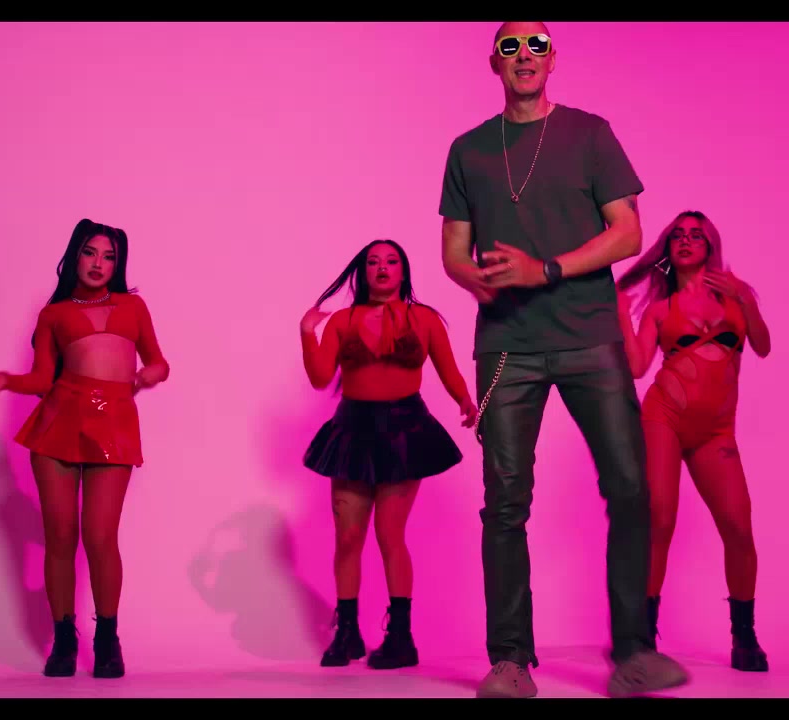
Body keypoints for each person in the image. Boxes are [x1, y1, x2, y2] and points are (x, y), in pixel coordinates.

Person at [438, 21, 689, 698]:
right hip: (506, 347)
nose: (525, 54)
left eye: (537, 45)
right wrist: (471, 276)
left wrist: (543, 269)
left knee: (630, 488)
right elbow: (454, 250)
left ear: (554, 60)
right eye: (511, 45)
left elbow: (628, 233)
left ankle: (633, 654)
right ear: (494, 62)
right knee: (504, 503)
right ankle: (510, 661)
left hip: (590, 338)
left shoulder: (590, 134)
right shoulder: (468, 149)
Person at [0, 219, 170, 680]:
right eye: (90, 253)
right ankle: (63, 639)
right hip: (59, 423)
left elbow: (159, 361)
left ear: (118, 264)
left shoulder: (133, 306)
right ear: (74, 256)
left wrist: (149, 375)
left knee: (100, 536)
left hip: (113, 423)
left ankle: (107, 638)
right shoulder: (54, 314)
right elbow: (43, 379)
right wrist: (7, 380)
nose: (99, 263)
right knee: (60, 536)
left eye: (109, 256)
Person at [300, 238, 477, 670]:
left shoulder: (425, 318)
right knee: (348, 537)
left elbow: (448, 369)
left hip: (404, 431)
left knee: (389, 533)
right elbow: (320, 378)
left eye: (391, 261)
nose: (382, 267)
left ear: (403, 270)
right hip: (353, 430)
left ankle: (401, 637)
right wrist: (306, 333)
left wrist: (465, 400)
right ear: (363, 272)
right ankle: (347, 632)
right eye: (373, 262)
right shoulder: (343, 320)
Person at [614, 210, 772, 672]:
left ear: (710, 245)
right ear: (668, 247)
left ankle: (744, 636)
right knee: (660, 520)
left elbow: (762, 346)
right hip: (663, 417)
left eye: (695, 235)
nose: (685, 240)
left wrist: (746, 297)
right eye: (678, 235)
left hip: (716, 431)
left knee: (738, 527)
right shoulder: (661, 308)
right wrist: (622, 314)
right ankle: (642, 637)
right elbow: (638, 367)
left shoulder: (735, 297)